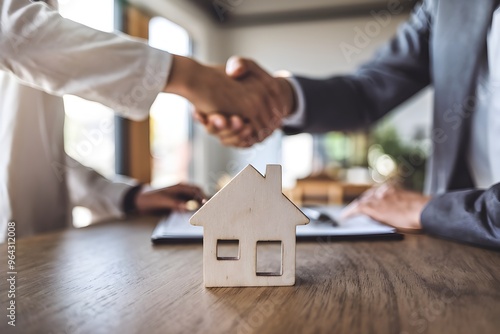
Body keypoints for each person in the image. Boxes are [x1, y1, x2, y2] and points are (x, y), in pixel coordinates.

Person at [199, 0, 500, 249]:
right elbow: (367, 92)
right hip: (457, 247)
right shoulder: (447, 5)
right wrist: (279, 98)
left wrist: (430, 210)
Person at [0, 0, 279, 242]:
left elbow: (33, 153)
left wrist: (127, 197)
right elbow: (12, 30)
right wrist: (189, 77)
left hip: (36, 255)